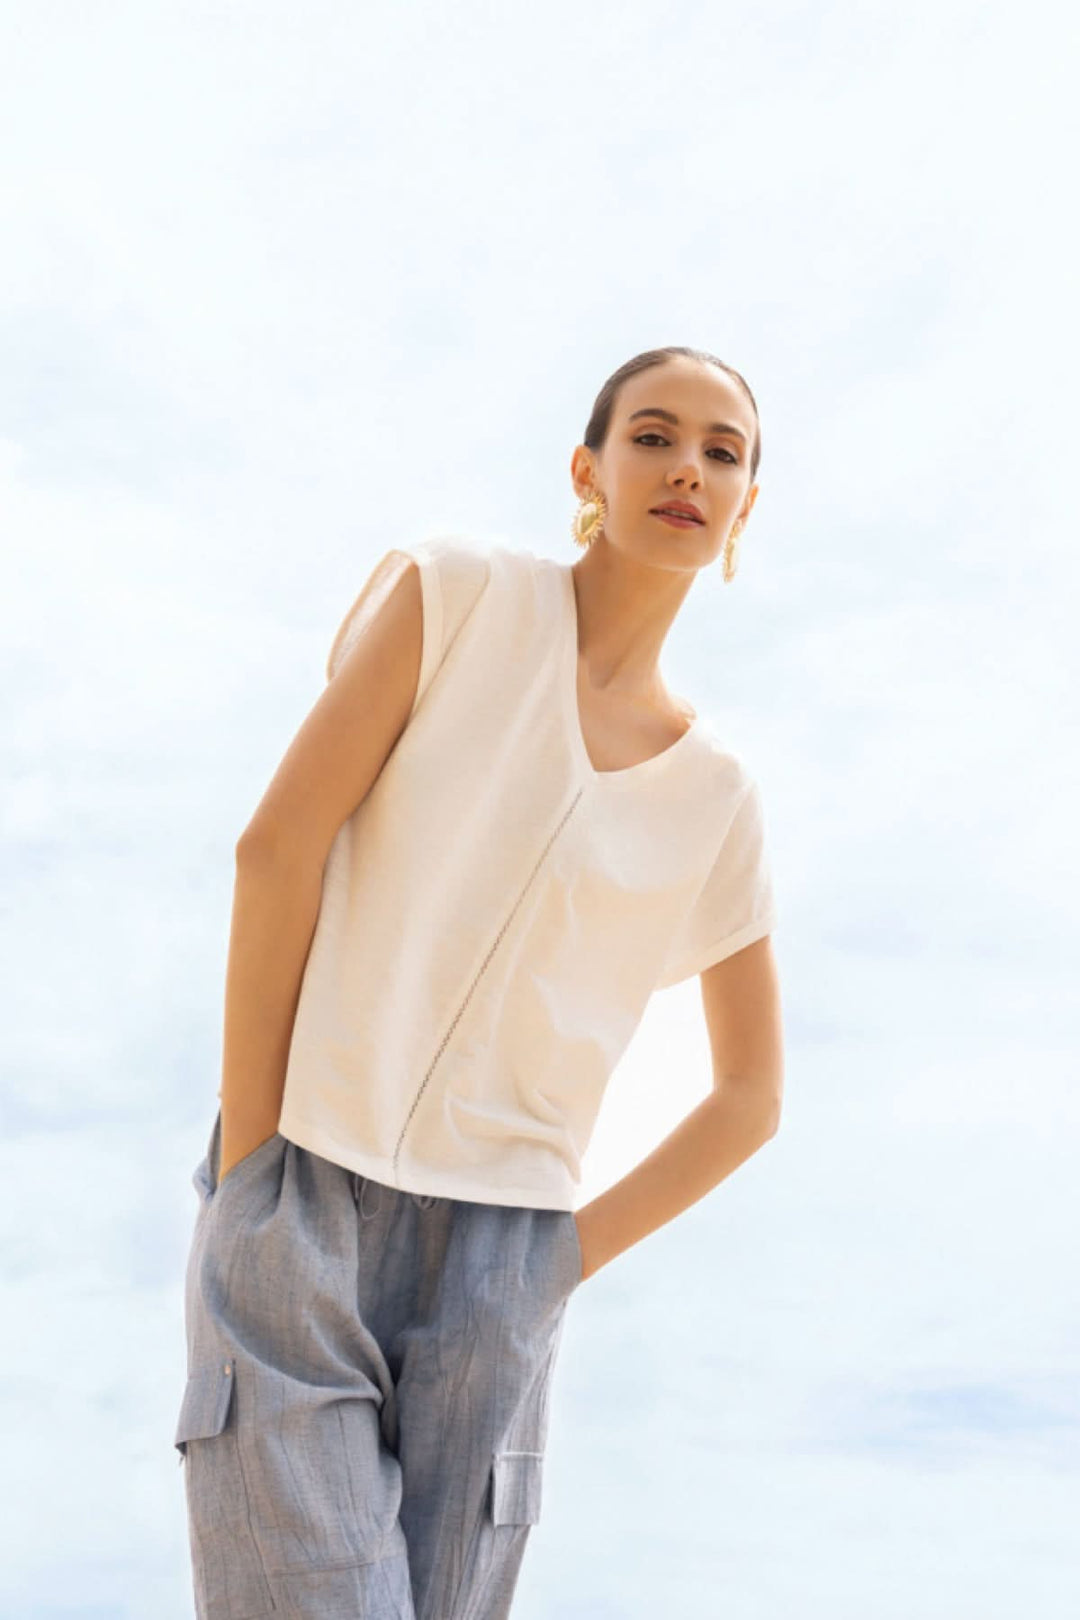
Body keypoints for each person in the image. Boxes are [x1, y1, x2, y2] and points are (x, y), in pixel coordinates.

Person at [173, 344, 785, 1619]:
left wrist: (553, 1266)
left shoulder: (717, 799)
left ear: (743, 509)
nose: (688, 467)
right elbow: (275, 849)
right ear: (590, 469)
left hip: (503, 1262)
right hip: (307, 1189)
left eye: (722, 453)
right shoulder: (455, 597)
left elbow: (750, 1097)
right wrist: (254, 1163)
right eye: (656, 436)